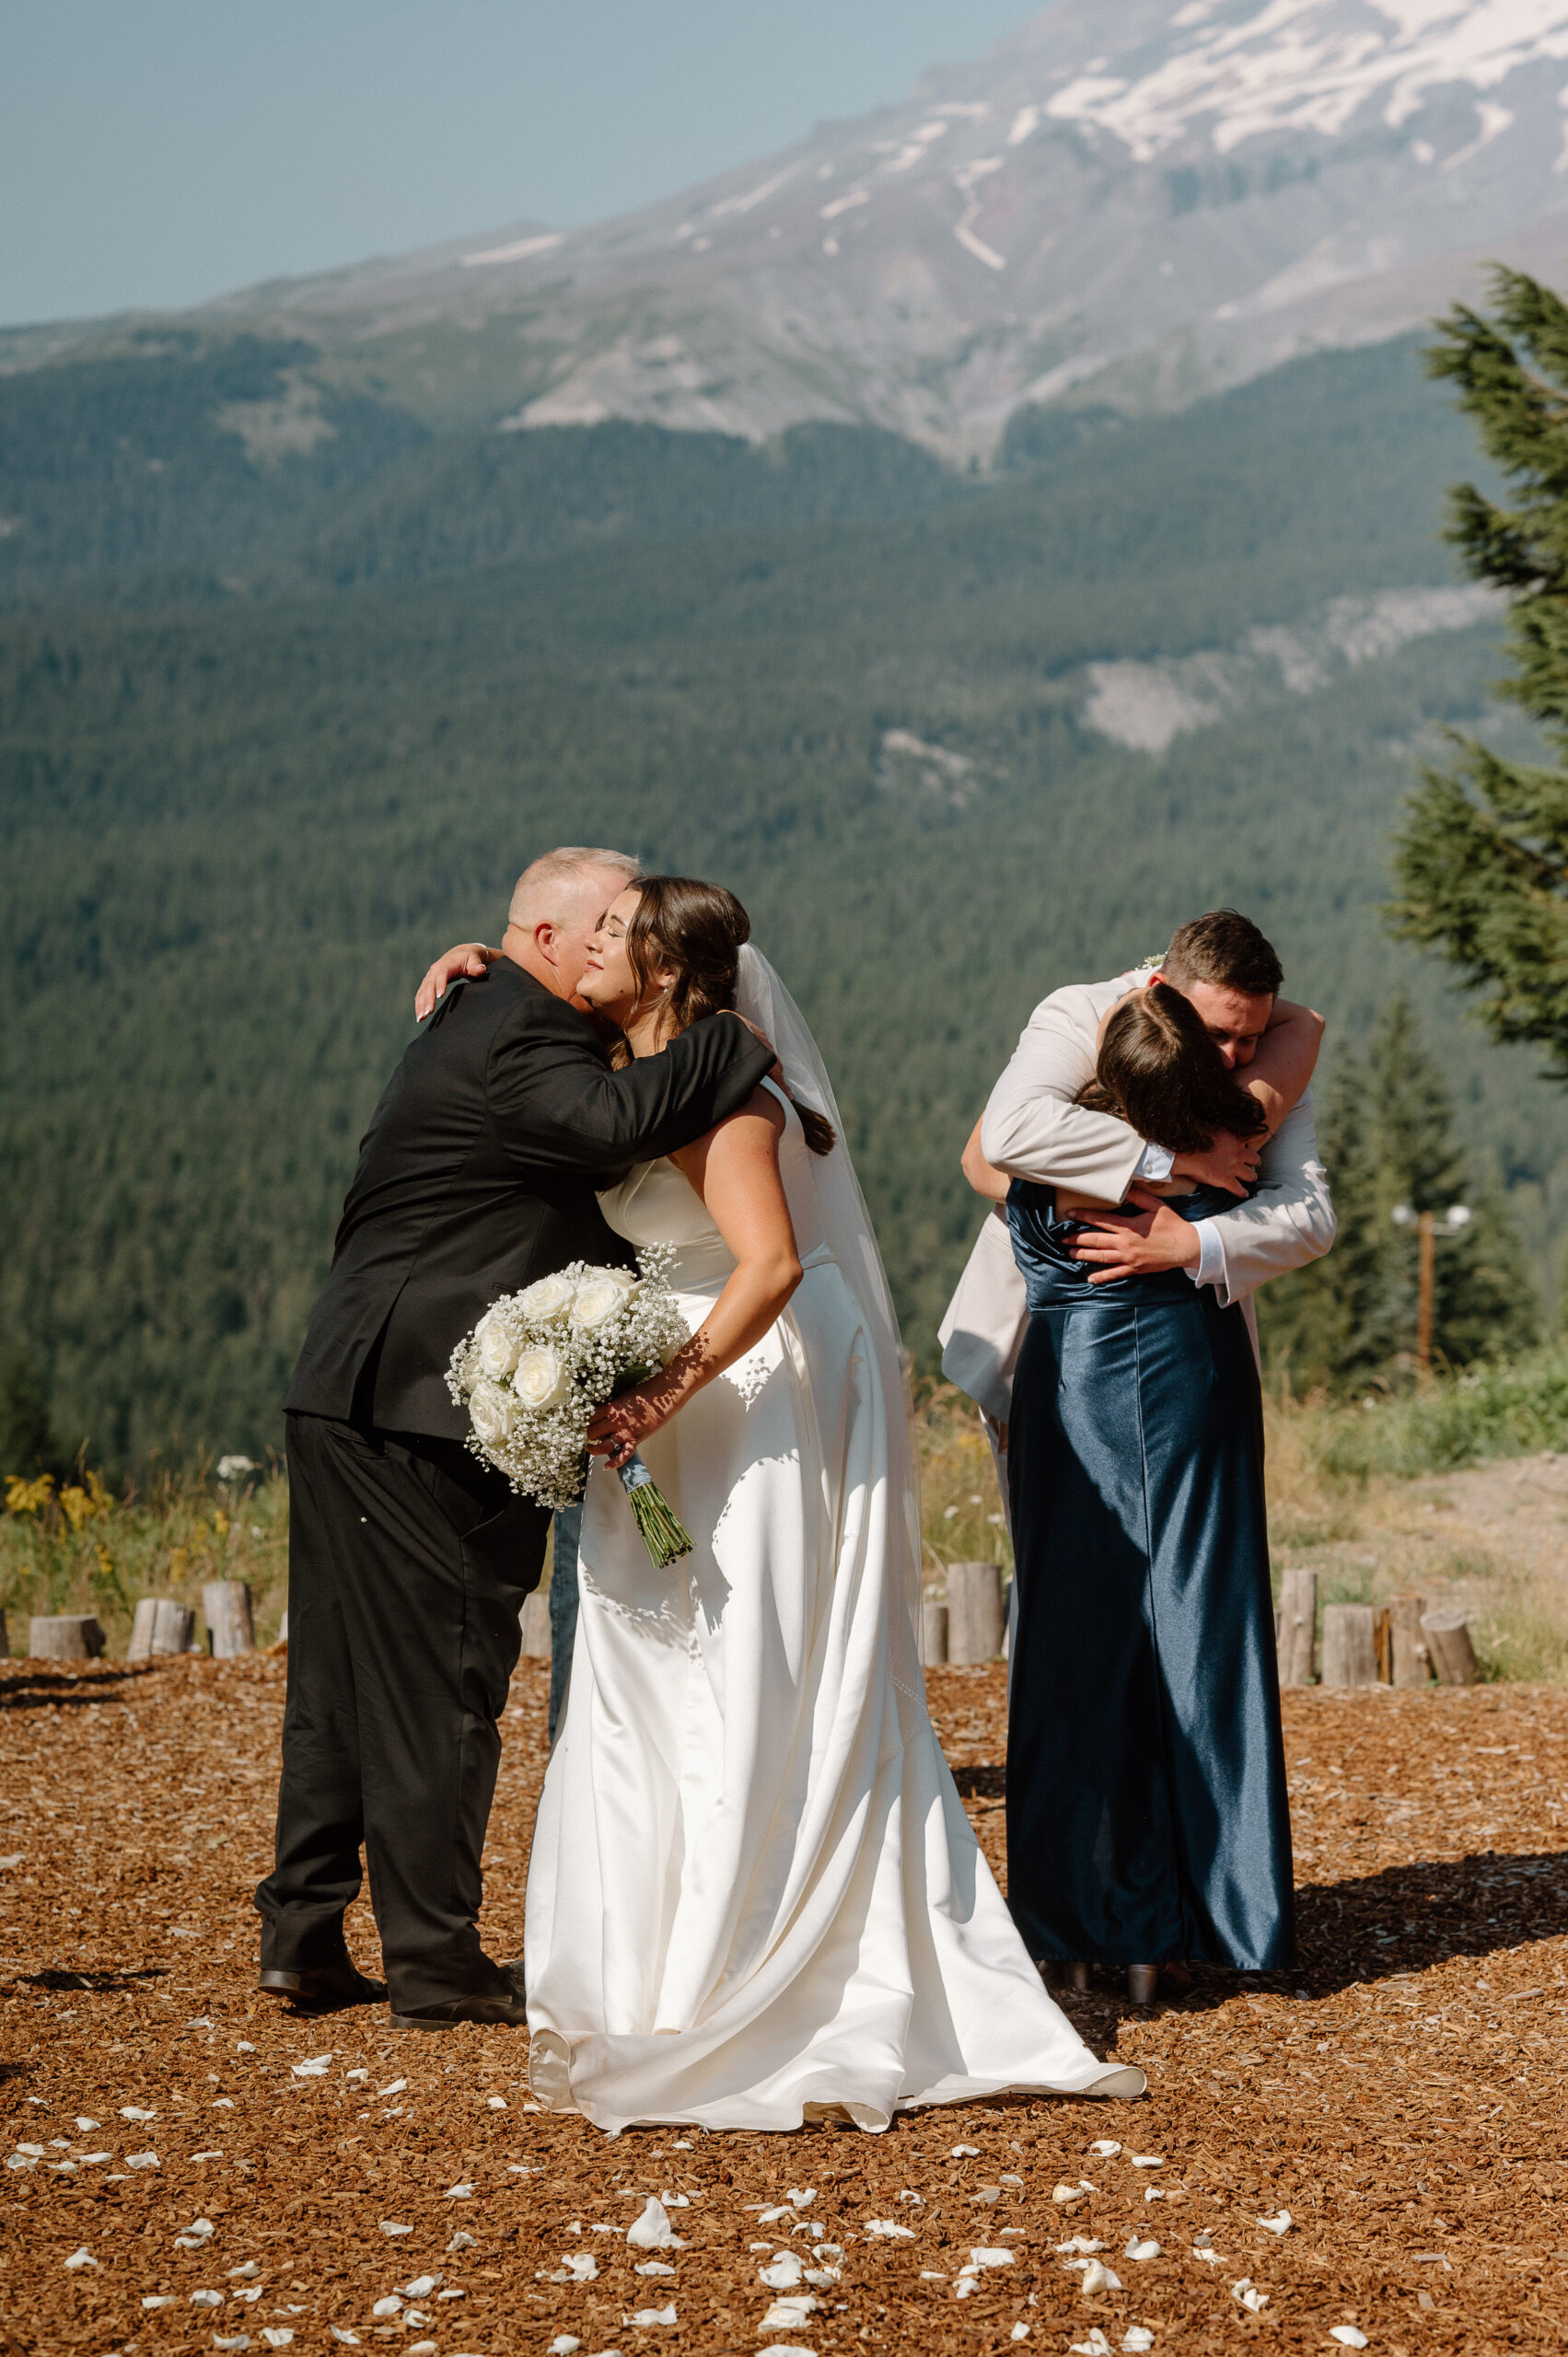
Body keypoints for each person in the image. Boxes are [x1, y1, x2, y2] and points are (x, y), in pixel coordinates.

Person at [509, 875, 1144, 2131]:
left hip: (751, 1376)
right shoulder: (642, 1051)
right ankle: (653, 1966)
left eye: (608, 929)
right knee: (657, 1663)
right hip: (696, 1361)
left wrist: (652, 1400)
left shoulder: (717, 1076)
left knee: (751, 1658)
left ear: (660, 965)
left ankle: (755, 1970)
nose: (584, 942)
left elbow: (772, 1262)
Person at [259, 846, 774, 2027]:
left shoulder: (490, 997)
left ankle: (301, 1928)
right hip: (421, 1408)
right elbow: (608, 1125)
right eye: (597, 930)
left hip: (350, 1384)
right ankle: (436, 1965)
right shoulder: (525, 1036)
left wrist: (487, 953)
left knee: (339, 1676)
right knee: (444, 1673)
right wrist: (735, 1029)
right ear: (548, 940)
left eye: (629, 935)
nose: (611, 948)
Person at [943, 913, 1334, 2004]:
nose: (1239, 1062)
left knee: (1174, 1629)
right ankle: (1139, 1912)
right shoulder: (1073, 1021)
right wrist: (1178, 1167)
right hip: (1094, 1371)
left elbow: (1310, 1210)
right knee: (1121, 1632)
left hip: (1146, 1357)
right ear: (1159, 990)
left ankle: (1176, 1910)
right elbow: (999, 1137)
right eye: (1218, 1036)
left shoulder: (1259, 1077)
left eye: (1252, 1039)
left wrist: (1192, 1237)